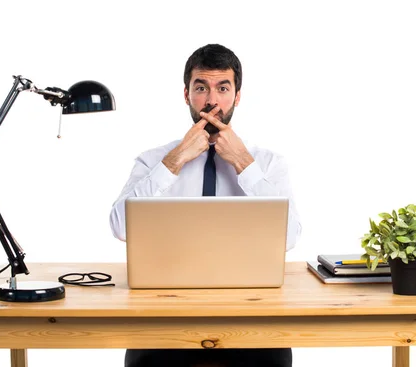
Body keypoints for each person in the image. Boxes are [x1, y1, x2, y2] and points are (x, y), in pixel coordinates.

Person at [110, 44, 302, 367]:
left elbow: (291, 236)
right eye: (202, 88)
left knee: (275, 355)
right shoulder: (153, 160)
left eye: (222, 88)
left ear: (237, 96)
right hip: (166, 315)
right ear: (186, 94)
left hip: (249, 315)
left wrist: (243, 163)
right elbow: (119, 226)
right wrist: (175, 160)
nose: (212, 100)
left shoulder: (268, 163)